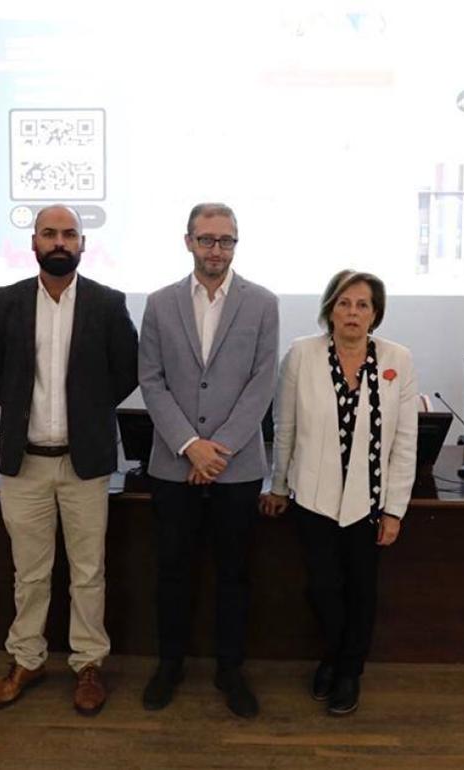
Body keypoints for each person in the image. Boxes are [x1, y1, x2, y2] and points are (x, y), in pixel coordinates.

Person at [0, 204, 138, 716]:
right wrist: (24, 407)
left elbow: (125, 372)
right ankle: (27, 658)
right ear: (35, 243)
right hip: (25, 464)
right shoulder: (6, 302)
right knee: (30, 572)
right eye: (50, 233)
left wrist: (88, 413)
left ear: (84, 244)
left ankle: (88, 664)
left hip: (85, 463)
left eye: (70, 233)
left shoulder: (108, 304)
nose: (60, 241)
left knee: (88, 571)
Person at [138, 202, 279, 718]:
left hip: (236, 470)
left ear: (235, 244)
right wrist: (188, 445)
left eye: (226, 240)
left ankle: (229, 670)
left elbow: (262, 383)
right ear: (188, 242)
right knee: (172, 572)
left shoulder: (263, 304)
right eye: (207, 239)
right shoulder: (159, 303)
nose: (216, 249)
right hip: (173, 466)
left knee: (233, 575)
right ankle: (169, 665)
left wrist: (217, 450)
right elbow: (151, 380)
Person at [259, 269, 418, 716]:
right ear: (330, 309)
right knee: (323, 589)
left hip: (369, 503)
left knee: (362, 591)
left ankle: (349, 671)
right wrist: (278, 485)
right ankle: (332, 655)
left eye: (363, 305)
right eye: (344, 303)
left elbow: (405, 441)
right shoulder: (302, 354)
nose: (353, 312)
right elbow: (285, 425)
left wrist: (395, 511)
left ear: (375, 314)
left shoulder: (397, 360)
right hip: (313, 499)